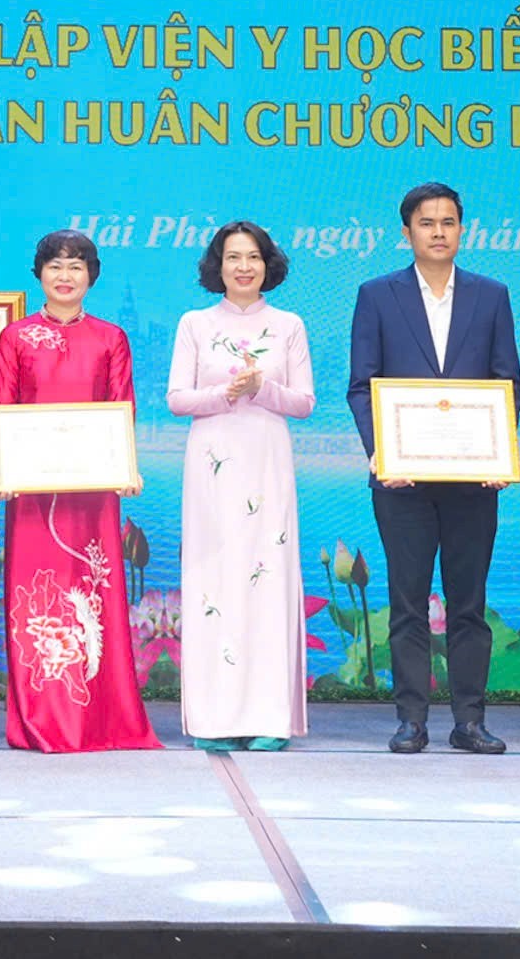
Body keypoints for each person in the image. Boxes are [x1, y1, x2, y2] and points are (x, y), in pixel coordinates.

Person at [347, 182, 520, 755]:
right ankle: (411, 720)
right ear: (407, 232)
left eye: (449, 222)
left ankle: (470, 721)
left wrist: (500, 451)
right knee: (408, 603)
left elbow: (508, 383)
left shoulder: (491, 296)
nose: (439, 232)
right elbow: (361, 386)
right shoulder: (377, 295)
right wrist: (381, 453)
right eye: (427, 223)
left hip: (474, 480)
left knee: (469, 604)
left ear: (462, 230)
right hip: (402, 480)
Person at [0, 230, 161, 752]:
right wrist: (3, 470)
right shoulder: (15, 338)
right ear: (39, 273)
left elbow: (122, 407)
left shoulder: (111, 338)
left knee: (94, 595)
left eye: (76, 266)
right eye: (55, 266)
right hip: (31, 493)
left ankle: (101, 719)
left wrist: (126, 466)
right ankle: (42, 718)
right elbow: (3, 409)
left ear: (92, 276)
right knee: (37, 596)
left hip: (94, 491)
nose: (65, 276)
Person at [168, 221, 315, 751]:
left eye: (253, 256)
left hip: (267, 462)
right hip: (211, 465)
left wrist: (262, 387)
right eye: (233, 257)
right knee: (215, 580)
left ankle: (269, 717)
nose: (244, 267)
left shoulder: (289, 325)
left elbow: (304, 402)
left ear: (267, 264)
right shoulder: (195, 323)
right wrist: (226, 394)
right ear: (218, 265)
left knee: (266, 578)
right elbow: (177, 399)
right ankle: (215, 719)